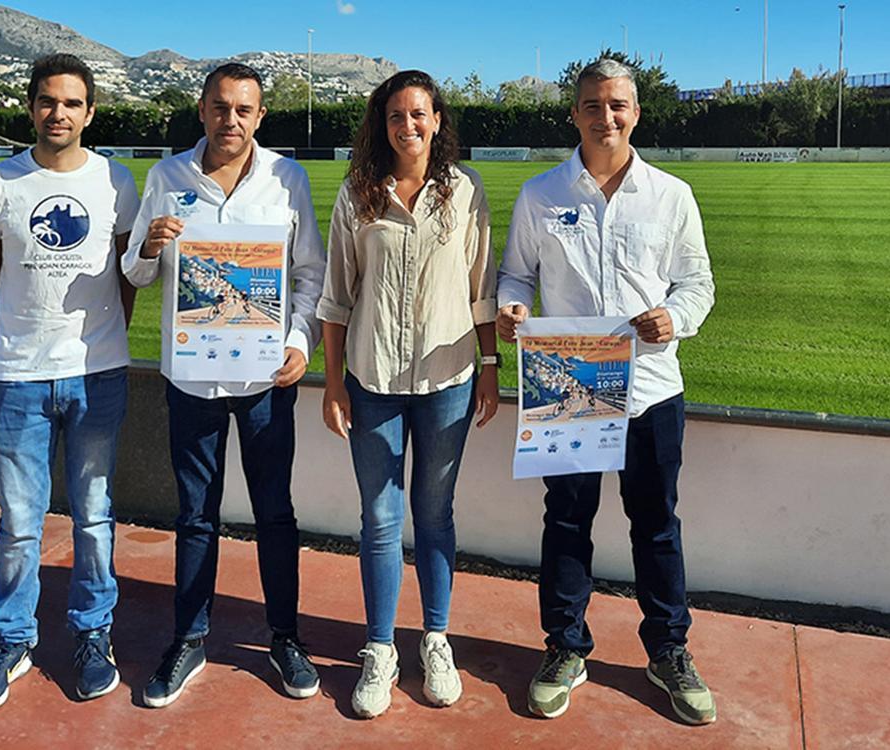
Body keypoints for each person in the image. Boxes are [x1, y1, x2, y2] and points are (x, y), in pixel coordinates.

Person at [497, 59, 717, 725]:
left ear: (637, 112)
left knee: (655, 526)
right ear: (575, 114)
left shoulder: (671, 195)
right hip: (571, 385)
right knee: (566, 523)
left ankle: (668, 650)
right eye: (592, 105)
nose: (606, 117)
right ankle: (566, 646)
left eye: (618, 105)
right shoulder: (541, 194)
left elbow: (697, 281)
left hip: (651, 386)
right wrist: (511, 309)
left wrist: (675, 317)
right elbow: (515, 274)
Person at [122, 62, 326, 707]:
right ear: (202, 110)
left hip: (266, 377)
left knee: (275, 515)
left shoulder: (286, 179)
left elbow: (310, 275)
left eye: (243, 110)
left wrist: (299, 344)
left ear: (260, 116)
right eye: (219, 107)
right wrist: (150, 246)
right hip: (192, 377)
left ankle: (285, 638)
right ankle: (188, 638)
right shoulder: (166, 176)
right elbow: (135, 271)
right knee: (195, 517)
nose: (230, 120)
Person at [0, 53, 140, 711]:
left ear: (89, 112)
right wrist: (15, 339)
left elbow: (127, 277)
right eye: (46, 101)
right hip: (20, 380)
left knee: (94, 518)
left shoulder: (117, 181)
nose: (57, 113)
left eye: (70, 103)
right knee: (20, 524)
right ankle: (13, 640)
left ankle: (94, 635)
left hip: (97, 377)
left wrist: (101, 343)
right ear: (31, 107)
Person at [318, 70, 500, 719]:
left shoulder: (464, 192)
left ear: (437, 120)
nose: (408, 126)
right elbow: (336, 298)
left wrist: (491, 364)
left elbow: (482, 287)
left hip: (447, 382)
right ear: (382, 124)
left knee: (435, 516)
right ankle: (379, 648)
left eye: (419, 115)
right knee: (380, 521)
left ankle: (435, 639)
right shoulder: (358, 194)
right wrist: (333, 381)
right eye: (396, 116)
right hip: (373, 382)